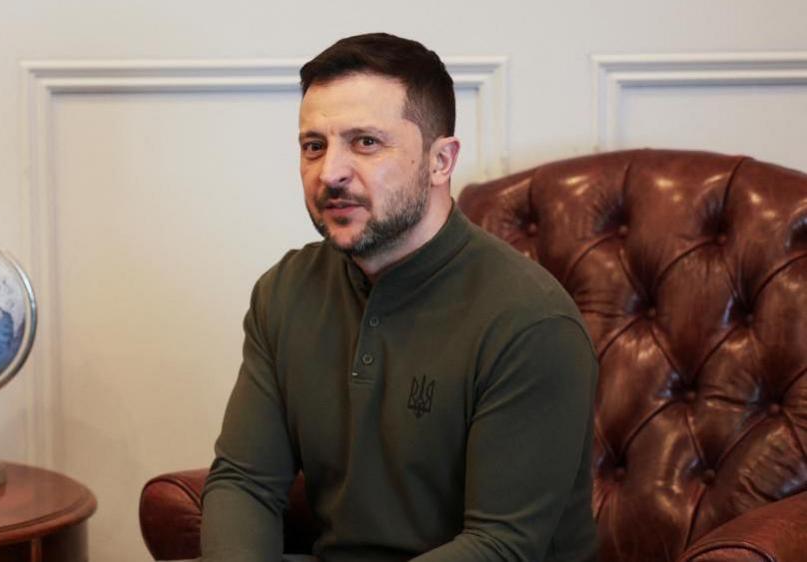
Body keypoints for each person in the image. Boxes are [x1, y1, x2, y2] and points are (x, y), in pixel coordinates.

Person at [201, 32, 598, 562]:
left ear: (441, 161)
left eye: (366, 142)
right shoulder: (285, 291)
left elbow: (501, 546)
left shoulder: (531, 322)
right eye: (313, 145)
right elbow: (244, 482)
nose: (331, 172)